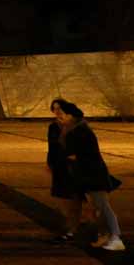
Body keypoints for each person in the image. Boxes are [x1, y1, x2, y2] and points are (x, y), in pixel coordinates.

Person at [56, 99, 124, 251]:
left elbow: (81, 154)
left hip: (94, 174)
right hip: (88, 173)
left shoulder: (80, 131)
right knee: (99, 207)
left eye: (62, 115)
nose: (59, 117)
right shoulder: (75, 129)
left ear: (71, 116)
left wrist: (69, 157)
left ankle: (116, 237)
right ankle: (108, 236)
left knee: (103, 207)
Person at [45, 98, 82, 240]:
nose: (57, 112)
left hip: (73, 165)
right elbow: (51, 146)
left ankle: (73, 228)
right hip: (58, 164)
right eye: (54, 109)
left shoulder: (75, 125)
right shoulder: (53, 126)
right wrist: (50, 162)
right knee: (61, 197)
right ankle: (69, 225)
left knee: (75, 197)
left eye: (60, 108)